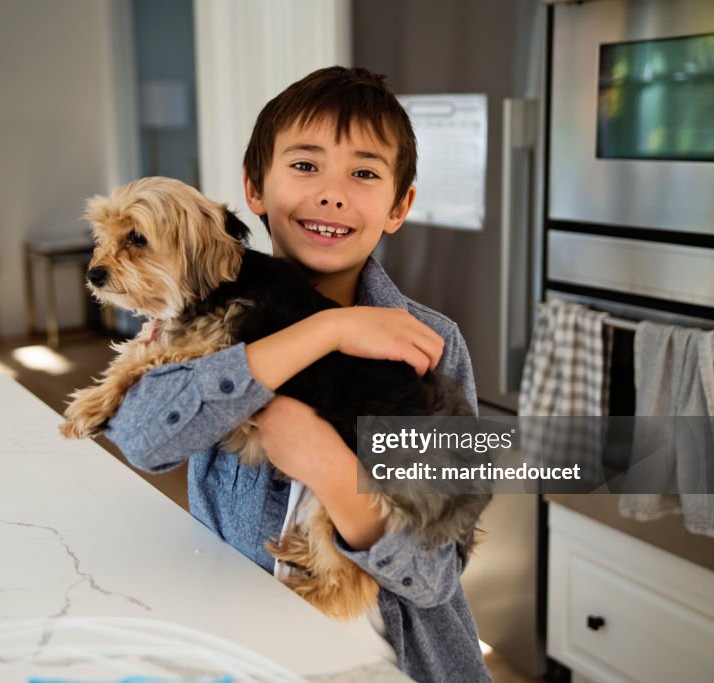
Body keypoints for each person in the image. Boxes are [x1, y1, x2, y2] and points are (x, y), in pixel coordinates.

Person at [105, 66, 491, 682]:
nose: (332, 193)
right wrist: (326, 331)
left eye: (364, 173)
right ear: (254, 189)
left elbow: (436, 572)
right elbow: (143, 440)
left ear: (399, 206)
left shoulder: (433, 344)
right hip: (245, 650)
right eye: (306, 166)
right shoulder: (195, 320)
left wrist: (333, 470)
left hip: (390, 661)